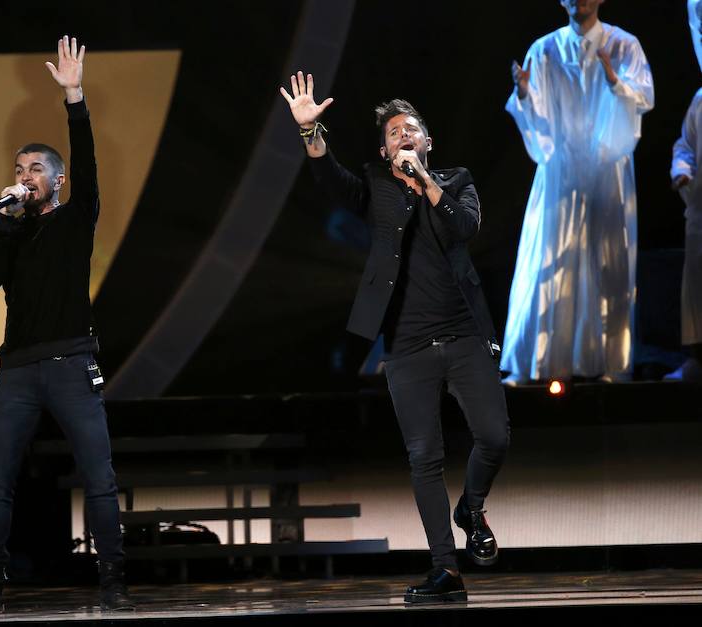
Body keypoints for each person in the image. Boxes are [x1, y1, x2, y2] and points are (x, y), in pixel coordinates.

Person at [280, 71, 510, 604]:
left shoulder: (455, 182)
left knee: (494, 437)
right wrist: (311, 133)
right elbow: (330, 181)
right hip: (406, 345)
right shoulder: (377, 188)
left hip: (465, 335)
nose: (403, 136)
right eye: (393, 133)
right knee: (423, 456)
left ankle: (471, 507)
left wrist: (426, 182)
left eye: (411, 130)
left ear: (427, 142)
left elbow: (465, 229)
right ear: (385, 152)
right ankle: (445, 570)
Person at [0, 36, 133, 614]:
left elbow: (88, 165)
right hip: (16, 369)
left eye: (36, 169)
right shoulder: (13, 231)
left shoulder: (74, 220)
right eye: (19, 169)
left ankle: (114, 584)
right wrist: (1, 222)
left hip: (71, 363)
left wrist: (75, 99)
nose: (26, 175)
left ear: (57, 180)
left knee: (99, 476)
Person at [502, 0, 654, 385]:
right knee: (549, 261)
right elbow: (537, 118)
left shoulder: (623, 44)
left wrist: (614, 81)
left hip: (606, 169)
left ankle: (608, 363)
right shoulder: (545, 48)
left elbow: (643, 98)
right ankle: (540, 362)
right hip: (561, 171)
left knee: (606, 261)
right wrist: (524, 94)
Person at [665, 0, 702, 383]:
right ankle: (697, 357)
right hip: (701, 213)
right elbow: (685, 146)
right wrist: (683, 170)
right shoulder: (700, 100)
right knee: (696, 287)